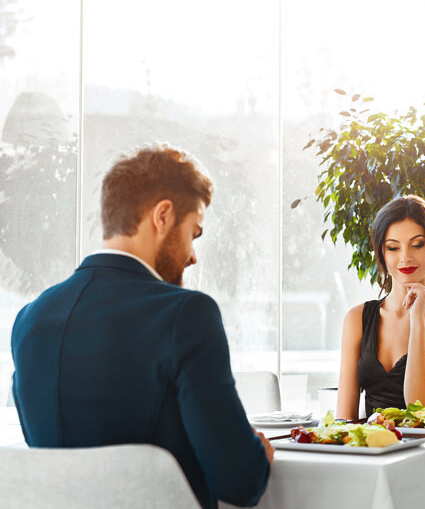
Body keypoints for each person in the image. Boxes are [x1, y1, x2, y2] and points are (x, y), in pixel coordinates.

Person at [11, 146, 272, 509]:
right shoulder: (187, 314)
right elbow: (240, 482)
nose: (193, 256)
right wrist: (257, 455)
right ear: (163, 215)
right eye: (193, 233)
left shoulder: (29, 320)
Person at [336, 195, 425, 419]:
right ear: (382, 253)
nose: (405, 258)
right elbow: (344, 419)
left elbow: (422, 407)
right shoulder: (357, 318)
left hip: (424, 451)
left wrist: (418, 319)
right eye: (393, 248)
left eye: (417, 244)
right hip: (370, 448)